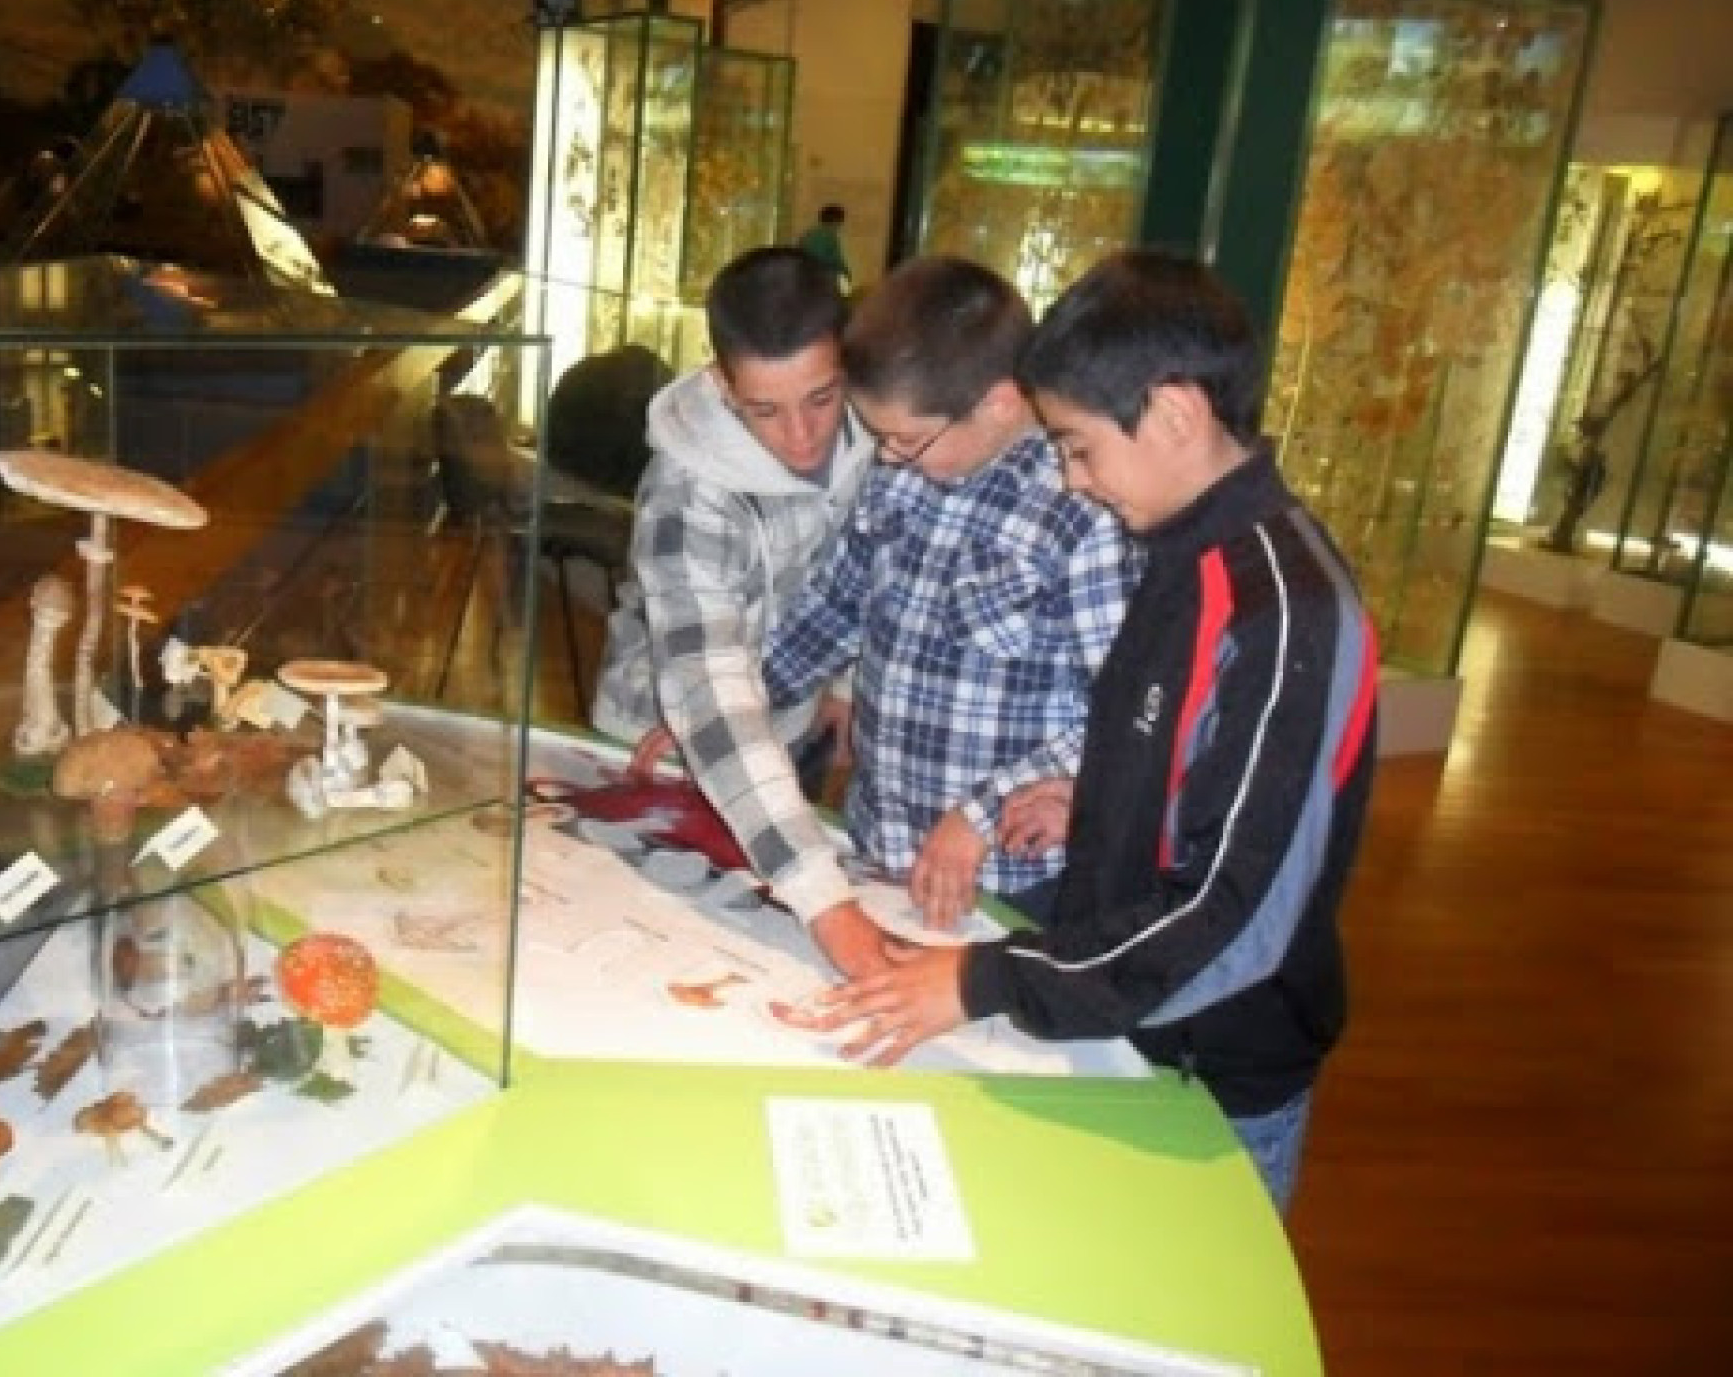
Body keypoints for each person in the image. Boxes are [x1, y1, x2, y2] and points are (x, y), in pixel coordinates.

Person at [783, 250, 1379, 1214]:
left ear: (1175, 414)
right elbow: (1167, 749)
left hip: (1215, 1071)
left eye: (1080, 448)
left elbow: (1232, 919)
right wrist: (1103, 795)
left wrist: (983, 980)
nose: (1072, 479)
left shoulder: (1281, 612)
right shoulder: (1180, 553)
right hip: (1125, 1019)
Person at [760, 255, 1137, 928]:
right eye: (877, 437)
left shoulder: (1084, 511)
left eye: (907, 439)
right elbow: (831, 611)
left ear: (999, 403)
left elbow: (1124, 712)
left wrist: (981, 815)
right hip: (880, 841)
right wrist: (733, 707)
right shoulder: (897, 477)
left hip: (1012, 875)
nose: (887, 456)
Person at [591, 246, 887, 976]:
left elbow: (869, 564)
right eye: (765, 410)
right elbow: (709, 691)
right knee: (654, 963)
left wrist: (845, 681)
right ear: (724, 384)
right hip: (663, 744)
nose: (802, 436)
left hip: (791, 720)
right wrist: (825, 899)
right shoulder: (686, 493)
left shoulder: (882, 420)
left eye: (820, 398)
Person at [796, 204, 852, 290]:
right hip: (821, 280)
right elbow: (835, 261)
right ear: (837, 221)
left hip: (803, 278)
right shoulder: (829, 236)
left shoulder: (809, 234)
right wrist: (847, 275)